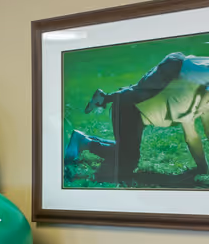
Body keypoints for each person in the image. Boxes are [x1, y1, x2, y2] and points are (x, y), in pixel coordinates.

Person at [85, 52, 209, 184]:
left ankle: (104, 101)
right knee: (126, 166)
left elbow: (206, 126)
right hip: (130, 111)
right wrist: (202, 167)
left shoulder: (199, 92)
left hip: (178, 61)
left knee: (142, 90)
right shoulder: (187, 102)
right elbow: (192, 137)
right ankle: (86, 142)